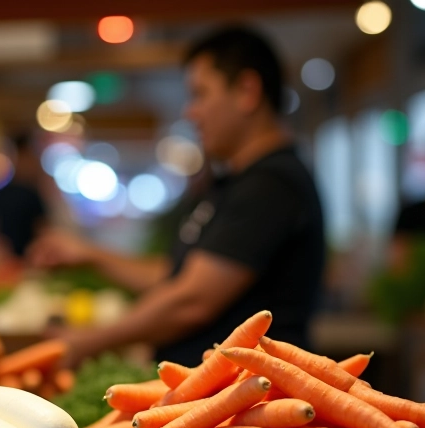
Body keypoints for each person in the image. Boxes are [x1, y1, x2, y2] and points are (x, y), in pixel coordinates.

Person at [27, 26, 326, 367]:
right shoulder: (236, 183)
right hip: (214, 396)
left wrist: (91, 342)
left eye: (200, 94)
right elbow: (178, 274)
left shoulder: (272, 183)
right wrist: (90, 255)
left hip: (253, 400)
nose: (190, 112)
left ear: (247, 91)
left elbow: (192, 301)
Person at [0, 135, 48, 257]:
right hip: (6, 254)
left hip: (30, 254)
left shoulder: (32, 192)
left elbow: (41, 226)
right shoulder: (1, 193)